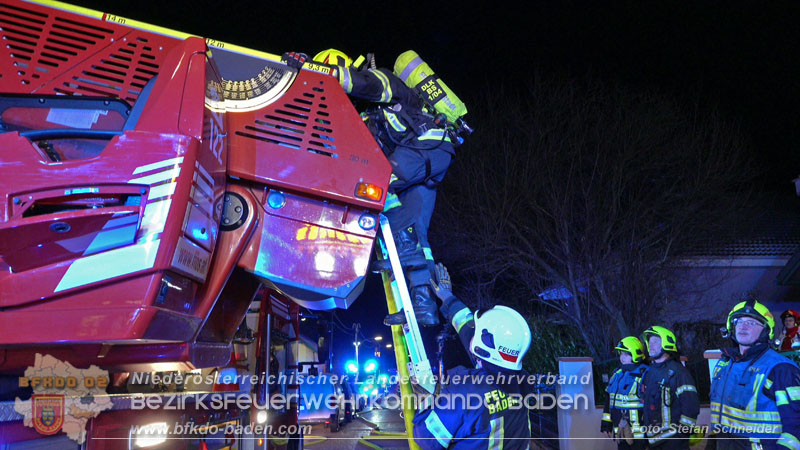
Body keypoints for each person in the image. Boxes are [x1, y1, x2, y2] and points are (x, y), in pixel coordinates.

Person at [287, 49, 462, 327]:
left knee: (376, 186)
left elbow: (362, 83)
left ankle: (398, 252)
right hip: (427, 160)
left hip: (427, 146)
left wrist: (314, 69)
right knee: (415, 235)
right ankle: (422, 306)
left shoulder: (387, 82)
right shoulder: (366, 118)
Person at [411, 263, 533, 449]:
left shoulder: (465, 393)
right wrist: (448, 298)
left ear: (484, 349)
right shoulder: (522, 381)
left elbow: (427, 438)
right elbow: (468, 327)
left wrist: (425, 400)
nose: (471, 333)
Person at [708, 299, 800, 449]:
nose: (743, 325)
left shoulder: (781, 368)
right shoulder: (725, 363)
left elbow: (796, 426)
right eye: (739, 321)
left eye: (752, 322)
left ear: (765, 331)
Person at [640, 325, 699, 449]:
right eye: (649, 342)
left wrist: (681, 437)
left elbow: (691, 407)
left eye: (656, 341)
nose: (651, 345)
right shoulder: (649, 373)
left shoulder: (679, 372)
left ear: (667, 343)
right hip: (653, 441)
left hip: (673, 442)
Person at [602, 337, 648, 449]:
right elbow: (609, 401)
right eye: (621, 354)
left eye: (626, 354)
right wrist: (606, 423)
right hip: (621, 431)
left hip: (640, 435)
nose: (622, 357)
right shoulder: (617, 374)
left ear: (636, 354)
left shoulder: (645, 374)